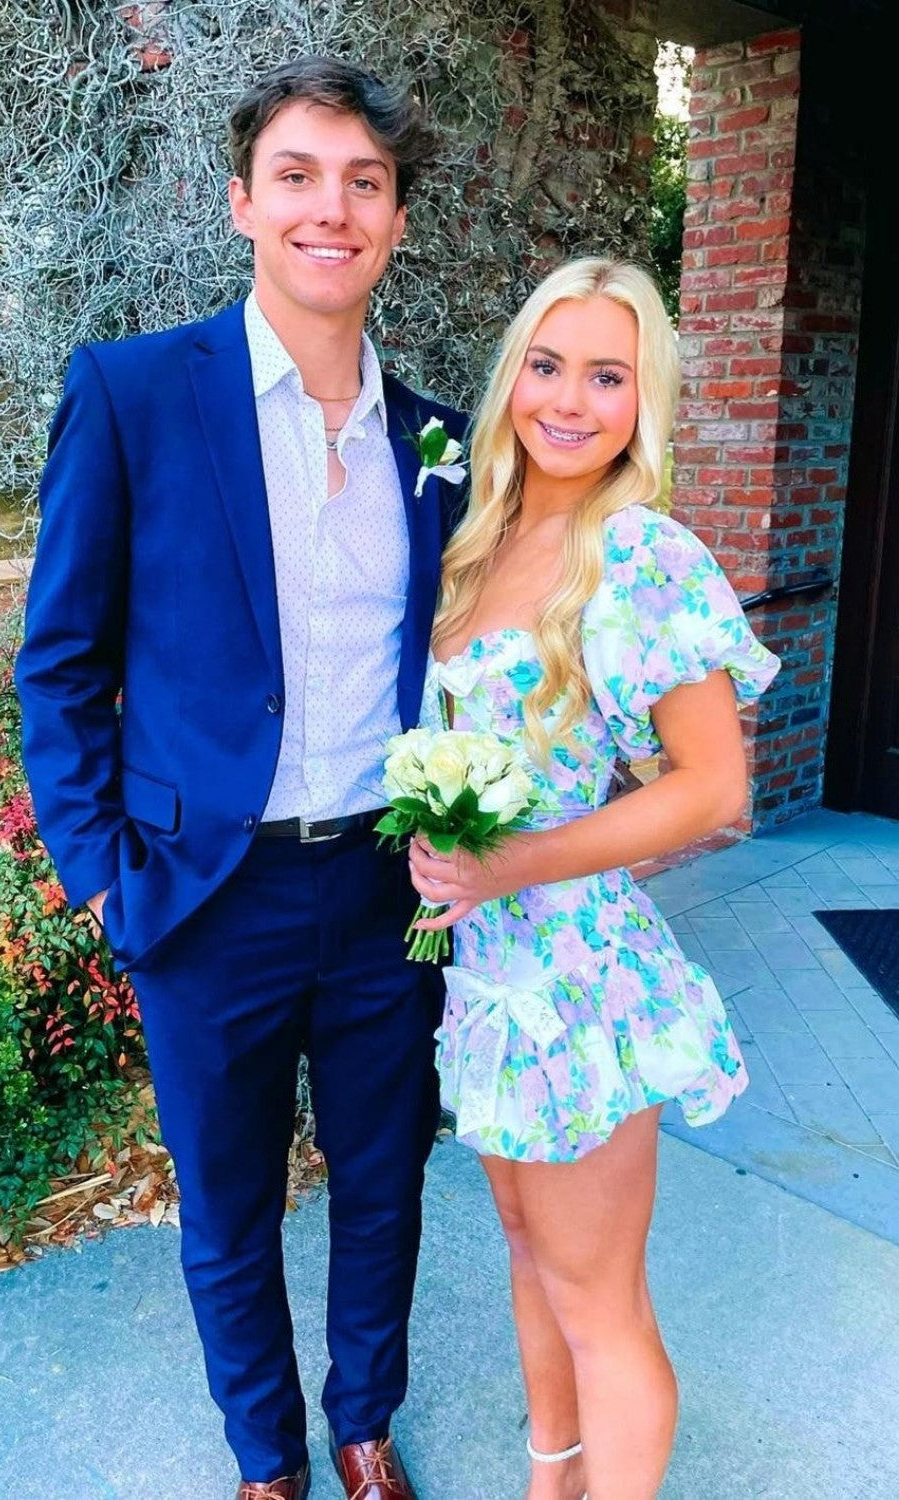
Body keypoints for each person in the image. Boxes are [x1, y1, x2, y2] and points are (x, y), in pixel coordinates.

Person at [16, 56, 467, 1500]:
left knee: (386, 1188)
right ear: (242, 202)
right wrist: (96, 870)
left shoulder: (438, 442)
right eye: (298, 174)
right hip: (205, 892)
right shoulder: (138, 394)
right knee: (227, 1211)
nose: (330, 208)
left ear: (395, 222)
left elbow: (467, 664)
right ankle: (265, 1459)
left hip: (386, 889)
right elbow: (62, 660)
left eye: (364, 182)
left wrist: (469, 836)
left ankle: (362, 1424)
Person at [408, 257, 779, 1500]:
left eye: (607, 375)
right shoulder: (478, 536)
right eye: (548, 364)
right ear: (514, 373)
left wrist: (511, 860)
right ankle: (549, 1476)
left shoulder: (645, 557)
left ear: (644, 399)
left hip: (579, 980)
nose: (569, 401)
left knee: (599, 1299)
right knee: (526, 1249)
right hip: (487, 975)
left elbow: (714, 788)